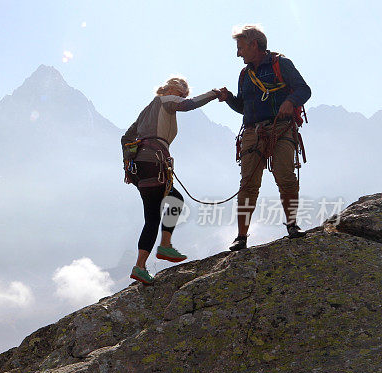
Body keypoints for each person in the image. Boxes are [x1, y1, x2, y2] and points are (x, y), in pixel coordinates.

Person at [216, 24, 311, 251]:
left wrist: (290, 102)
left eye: (240, 47)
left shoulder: (281, 64)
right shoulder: (245, 74)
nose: (238, 53)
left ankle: (292, 225)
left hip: (281, 128)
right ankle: (241, 237)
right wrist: (229, 98)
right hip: (252, 132)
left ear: (253, 44)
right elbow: (243, 107)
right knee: (248, 185)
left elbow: (304, 90)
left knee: (285, 177)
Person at [122, 77, 219, 285]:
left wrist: (128, 163)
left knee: (153, 217)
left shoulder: (146, 111)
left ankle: (140, 266)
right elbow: (188, 105)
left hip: (141, 168)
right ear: (170, 89)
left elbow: (126, 138)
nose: (181, 97)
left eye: (183, 94)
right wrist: (213, 94)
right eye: (180, 92)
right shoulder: (165, 100)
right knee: (174, 200)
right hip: (155, 163)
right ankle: (164, 246)